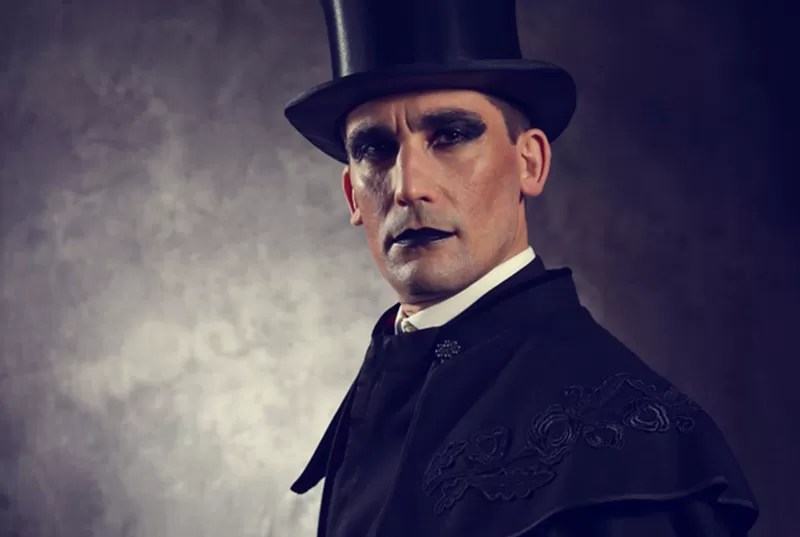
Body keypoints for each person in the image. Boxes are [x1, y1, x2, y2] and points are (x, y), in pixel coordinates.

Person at [281, 0, 760, 535]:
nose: (408, 186)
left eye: (451, 135)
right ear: (352, 194)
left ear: (529, 163)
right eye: (374, 148)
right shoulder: (386, 383)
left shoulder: (637, 448)